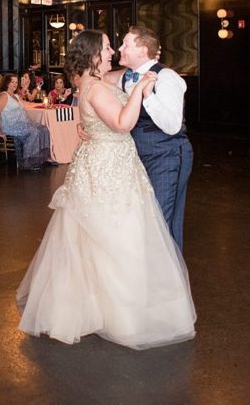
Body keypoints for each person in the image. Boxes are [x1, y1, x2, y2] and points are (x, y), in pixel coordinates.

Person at [16, 30, 196, 349]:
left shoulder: (141, 79)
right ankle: (129, 311)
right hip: (111, 164)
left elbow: (160, 117)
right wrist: (140, 89)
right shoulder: (101, 85)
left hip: (124, 159)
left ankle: (133, 298)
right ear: (94, 54)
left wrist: (88, 121)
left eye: (120, 44)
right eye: (109, 46)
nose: (115, 50)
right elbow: (122, 123)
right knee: (118, 235)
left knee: (108, 235)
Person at [105, 25, 193, 251]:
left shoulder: (167, 77)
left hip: (167, 155)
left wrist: (147, 96)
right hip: (137, 157)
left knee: (162, 220)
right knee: (141, 217)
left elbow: (172, 125)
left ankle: (168, 281)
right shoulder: (124, 77)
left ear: (143, 50)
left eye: (126, 44)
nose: (119, 49)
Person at [0, 73, 51, 170]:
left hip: (23, 122)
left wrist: (43, 104)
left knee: (44, 129)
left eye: (16, 82)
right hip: (11, 124)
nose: (15, 84)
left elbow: (26, 104)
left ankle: (39, 159)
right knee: (34, 132)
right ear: (7, 83)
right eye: (12, 82)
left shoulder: (16, 96)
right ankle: (27, 162)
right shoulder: (3, 95)